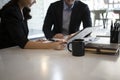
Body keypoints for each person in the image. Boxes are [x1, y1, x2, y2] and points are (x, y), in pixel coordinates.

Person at [0, 0, 65, 50]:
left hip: (15, 52)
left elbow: (20, 39)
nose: (35, 1)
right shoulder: (11, 11)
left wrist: (35, 42)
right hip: (7, 54)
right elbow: (23, 43)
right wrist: (52, 45)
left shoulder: (22, 10)